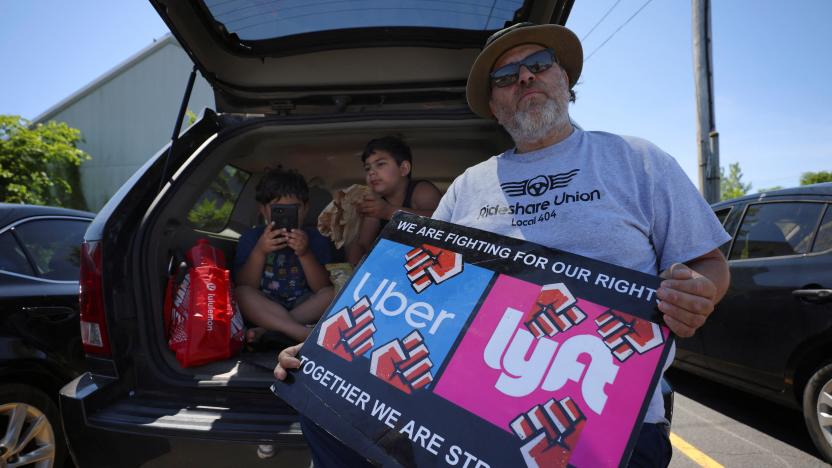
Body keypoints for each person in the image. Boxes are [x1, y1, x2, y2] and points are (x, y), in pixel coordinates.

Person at [276, 22, 730, 468]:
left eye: (539, 64)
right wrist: (322, 354)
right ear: (495, 107)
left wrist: (697, 292)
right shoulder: (469, 186)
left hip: (609, 427)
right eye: (505, 77)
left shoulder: (639, 161)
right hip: (471, 416)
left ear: (565, 80)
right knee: (321, 411)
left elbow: (709, 264)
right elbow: (414, 293)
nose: (525, 78)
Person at [235, 167, 335, 343]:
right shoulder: (251, 238)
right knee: (241, 293)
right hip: (265, 305)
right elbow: (245, 284)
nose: (286, 217)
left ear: (305, 209)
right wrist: (260, 251)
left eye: (294, 209)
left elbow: (322, 287)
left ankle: (269, 330)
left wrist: (305, 254)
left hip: (304, 304)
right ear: (263, 210)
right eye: (278, 210)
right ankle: (300, 333)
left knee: (333, 293)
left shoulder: (316, 238)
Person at [345, 136, 442, 265]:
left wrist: (388, 211)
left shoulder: (421, 191)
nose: (371, 172)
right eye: (367, 168)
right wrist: (353, 223)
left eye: (380, 164)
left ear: (403, 169)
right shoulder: (375, 203)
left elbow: (443, 226)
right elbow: (362, 250)